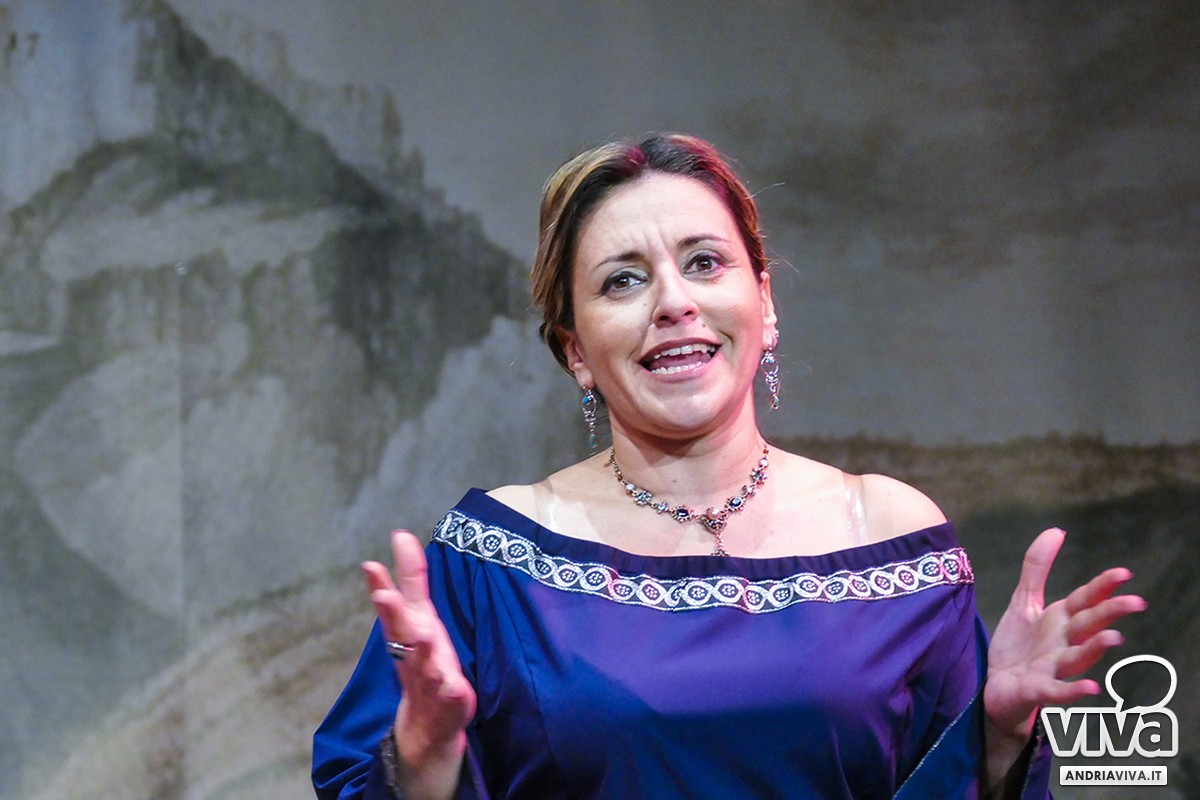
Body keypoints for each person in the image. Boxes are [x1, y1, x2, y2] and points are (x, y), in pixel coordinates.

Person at [311, 133, 1145, 799]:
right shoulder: (493, 563)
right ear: (576, 352)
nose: (674, 302)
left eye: (704, 263)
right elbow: (359, 781)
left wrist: (998, 737)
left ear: (765, 302)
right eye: (623, 281)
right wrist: (423, 758)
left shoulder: (892, 536)